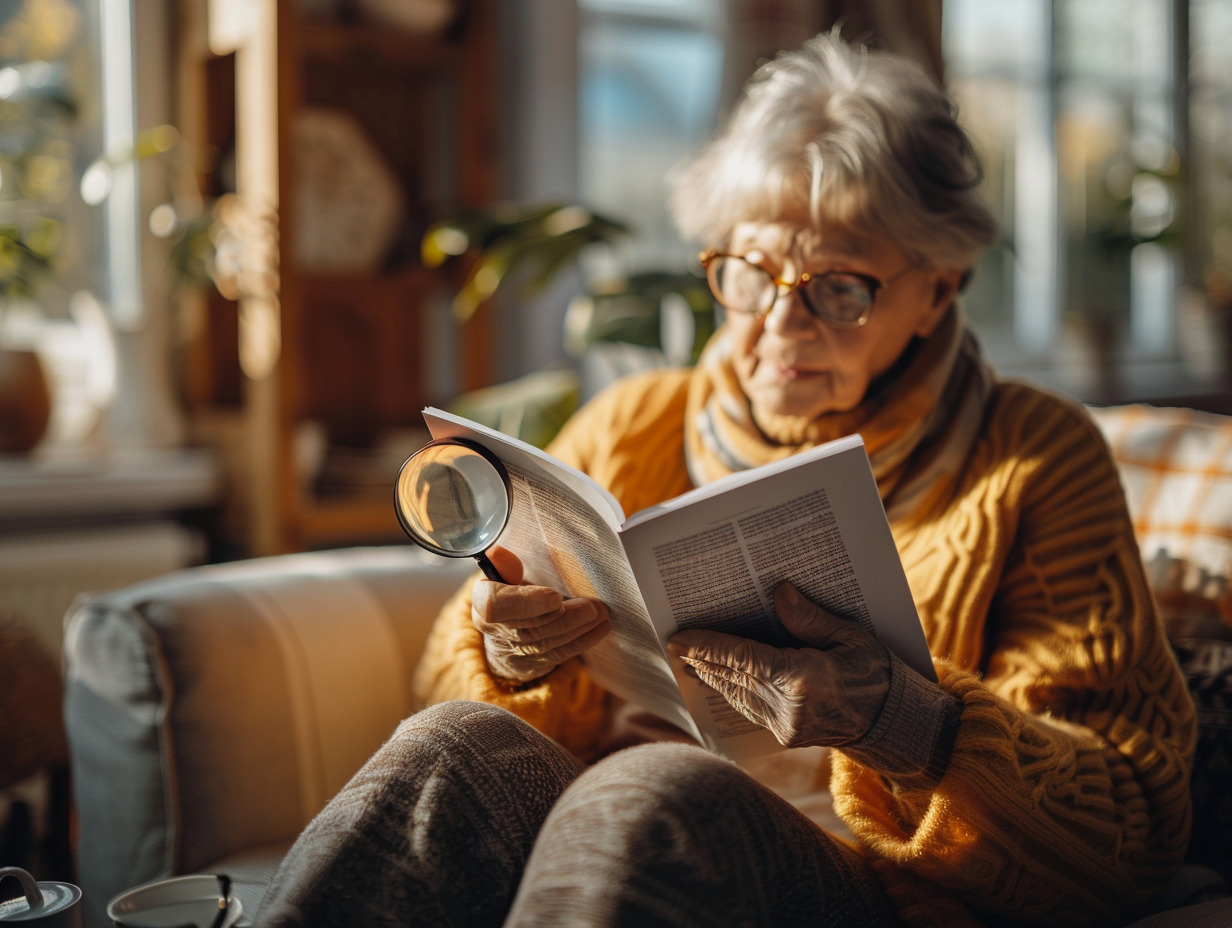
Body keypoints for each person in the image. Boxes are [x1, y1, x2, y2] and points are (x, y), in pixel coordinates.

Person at [258, 31, 1195, 928]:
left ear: (937, 289)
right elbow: (440, 681)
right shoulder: (634, 422)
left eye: (838, 288)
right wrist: (506, 655)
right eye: (749, 273)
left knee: (650, 791)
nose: (781, 329)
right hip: (600, 844)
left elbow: (1130, 835)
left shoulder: (1032, 458)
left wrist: (904, 723)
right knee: (447, 748)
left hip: (865, 887)